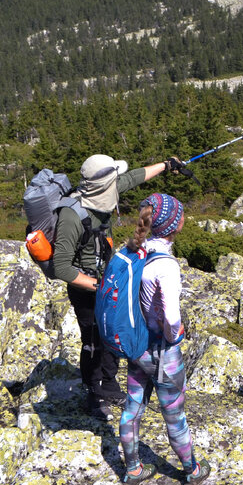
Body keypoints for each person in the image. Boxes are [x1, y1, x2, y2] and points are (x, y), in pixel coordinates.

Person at [50, 153, 182, 419]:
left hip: (109, 281)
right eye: (114, 180)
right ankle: (94, 393)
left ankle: (109, 383)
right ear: (103, 184)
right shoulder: (71, 217)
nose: (118, 183)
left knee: (114, 331)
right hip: (87, 289)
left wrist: (166, 166)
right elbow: (60, 267)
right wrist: (102, 286)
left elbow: (135, 177)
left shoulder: (104, 190)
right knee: (93, 340)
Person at [118, 192, 211, 485]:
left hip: (136, 347)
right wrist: (176, 337)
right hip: (163, 353)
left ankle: (133, 470)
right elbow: (171, 317)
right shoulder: (166, 265)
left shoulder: (133, 250)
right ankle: (192, 472)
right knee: (175, 416)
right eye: (181, 213)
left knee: (132, 409)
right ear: (175, 224)